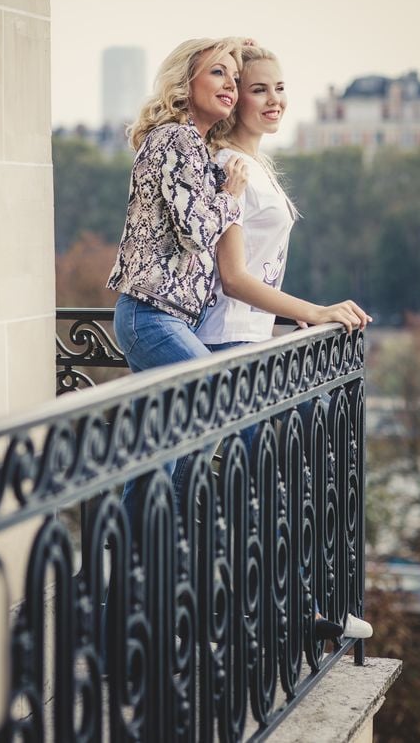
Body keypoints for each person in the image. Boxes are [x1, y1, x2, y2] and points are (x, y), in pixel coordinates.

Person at [197, 44, 373, 640]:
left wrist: (279, 325)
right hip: (224, 348)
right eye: (258, 89)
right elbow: (232, 278)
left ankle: (285, 611)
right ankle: (296, 615)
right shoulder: (227, 164)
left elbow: (253, 280)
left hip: (247, 342)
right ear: (233, 99)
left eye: (279, 88)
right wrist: (314, 310)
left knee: (280, 482)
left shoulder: (256, 164)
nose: (274, 100)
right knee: (266, 488)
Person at [106, 37, 249, 521]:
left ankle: (130, 565)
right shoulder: (175, 138)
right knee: (213, 394)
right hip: (150, 317)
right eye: (217, 72)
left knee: (161, 449)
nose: (230, 83)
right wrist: (230, 196)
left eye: (234, 75)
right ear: (184, 81)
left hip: (169, 319)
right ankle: (159, 538)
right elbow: (198, 231)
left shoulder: (194, 144)